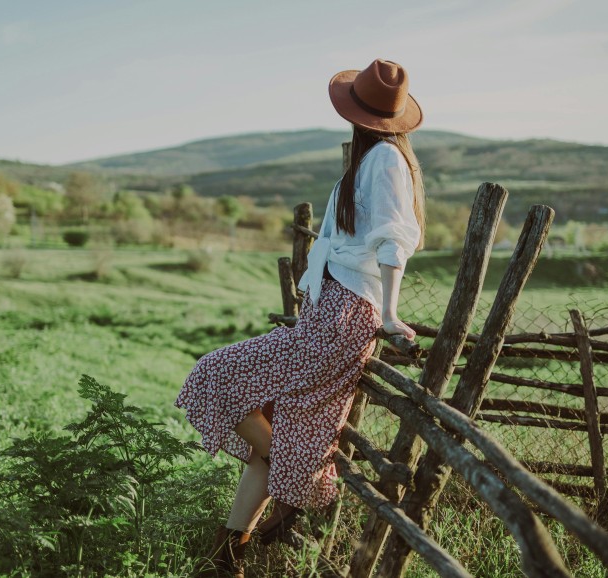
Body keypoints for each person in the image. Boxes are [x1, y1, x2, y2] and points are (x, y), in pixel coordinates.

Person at [175, 58, 426, 578]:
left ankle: (299, 488)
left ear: (359, 115)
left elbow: (393, 241)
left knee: (214, 375)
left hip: (344, 315)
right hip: (328, 312)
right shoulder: (372, 160)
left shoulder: (383, 161)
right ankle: (227, 558)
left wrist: (391, 313)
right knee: (262, 417)